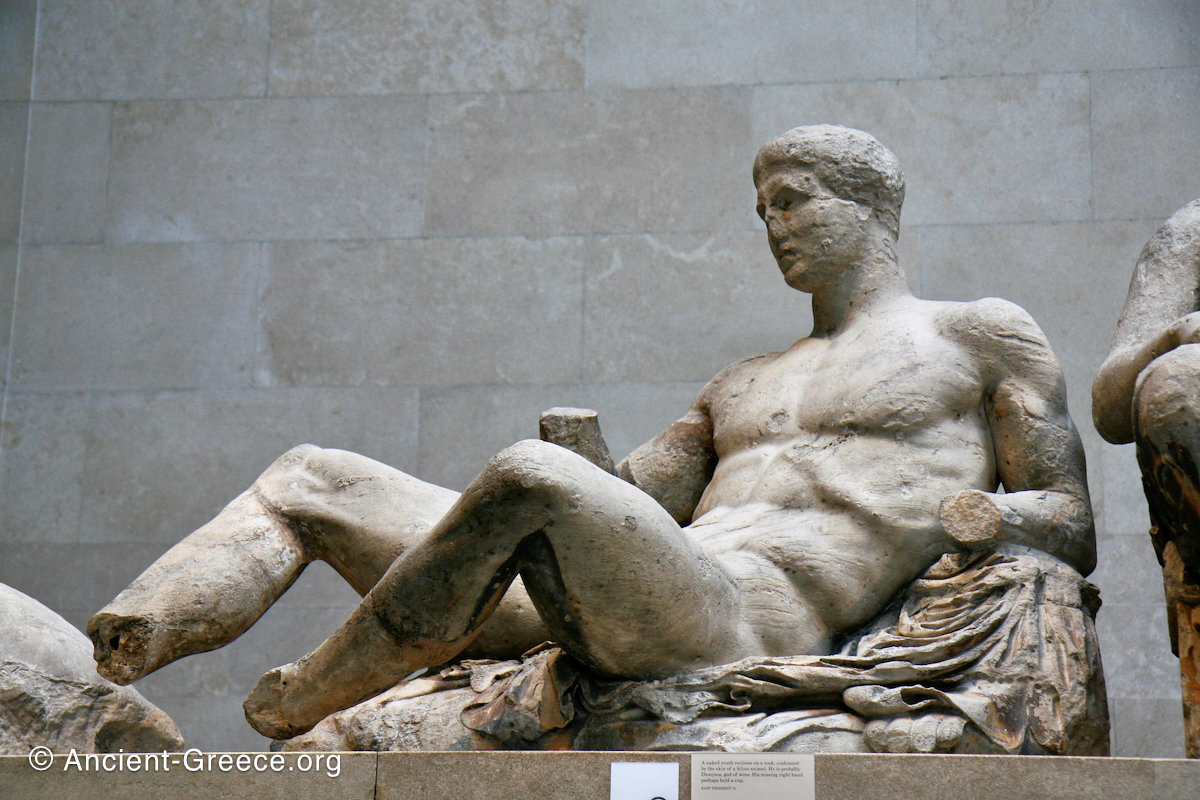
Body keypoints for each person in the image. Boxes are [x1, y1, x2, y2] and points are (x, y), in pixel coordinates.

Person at [89, 125, 1094, 741]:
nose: (774, 225)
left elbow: (1072, 518)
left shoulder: (976, 333)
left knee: (529, 476)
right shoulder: (741, 382)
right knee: (315, 475)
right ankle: (118, 649)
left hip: (748, 621)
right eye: (761, 209)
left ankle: (312, 690)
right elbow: (623, 497)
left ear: (872, 202)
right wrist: (588, 461)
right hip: (643, 595)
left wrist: (981, 511)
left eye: (794, 200)